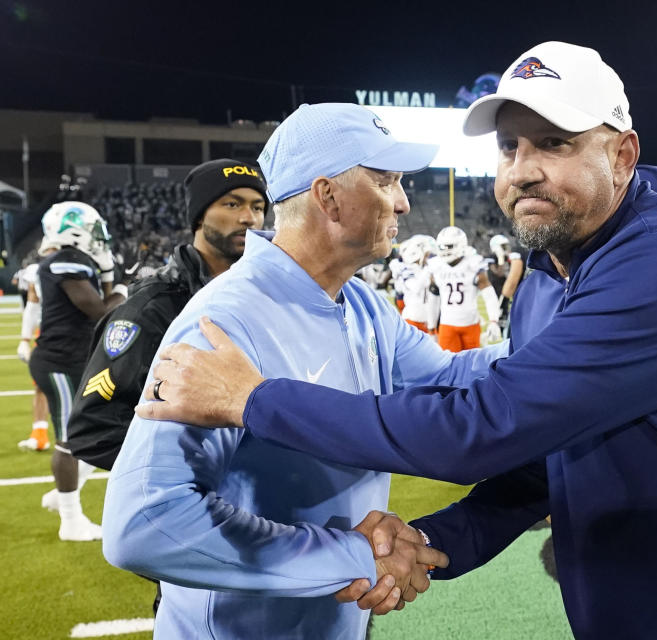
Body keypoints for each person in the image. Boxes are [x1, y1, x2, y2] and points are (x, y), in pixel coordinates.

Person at [138, 43, 657, 639]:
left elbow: (482, 429)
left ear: (622, 156)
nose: (522, 170)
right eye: (509, 147)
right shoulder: (551, 273)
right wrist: (430, 543)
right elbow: (536, 461)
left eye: (553, 144)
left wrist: (252, 400)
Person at [102, 103, 505, 640]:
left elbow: (453, 379)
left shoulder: (358, 302)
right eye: (386, 181)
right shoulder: (223, 320)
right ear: (328, 196)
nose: (405, 203)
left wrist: (569, 348)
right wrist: (348, 556)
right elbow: (143, 525)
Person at [65, 159, 267, 473]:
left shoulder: (263, 295)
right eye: (232, 204)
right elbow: (93, 431)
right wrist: (202, 472)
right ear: (199, 216)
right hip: (204, 504)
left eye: (258, 207)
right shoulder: (153, 307)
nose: (249, 218)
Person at [30, 201, 127, 541]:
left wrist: (110, 277)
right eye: (94, 230)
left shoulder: (75, 261)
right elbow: (99, 310)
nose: (99, 238)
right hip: (60, 362)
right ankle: (70, 521)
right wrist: (124, 291)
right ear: (75, 229)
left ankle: (62, 495)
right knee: (70, 441)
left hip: (72, 359)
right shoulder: (65, 260)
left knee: (90, 434)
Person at [427, 225, 500, 351]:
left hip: (470, 324)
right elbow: (433, 298)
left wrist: (494, 320)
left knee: (472, 366)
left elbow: (489, 294)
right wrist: (431, 326)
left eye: (448, 246)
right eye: (442, 246)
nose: (444, 250)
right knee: (448, 366)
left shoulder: (473, 264)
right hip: (447, 324)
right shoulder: (436, 266)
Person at [16, 238, 58, 452]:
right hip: (48, 333)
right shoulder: (38, 271)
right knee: (40, 385)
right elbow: (32, 307)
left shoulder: (79, 266)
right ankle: (39, 434)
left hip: (77, 336)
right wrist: (25, 339)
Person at [392, 234, 440, 333]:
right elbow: (416, 287)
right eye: (427, 254)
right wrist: (429, 269)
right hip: (413, 319)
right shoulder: (406, 269)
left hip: (428, 319)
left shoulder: (422, 269)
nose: (430, 257)